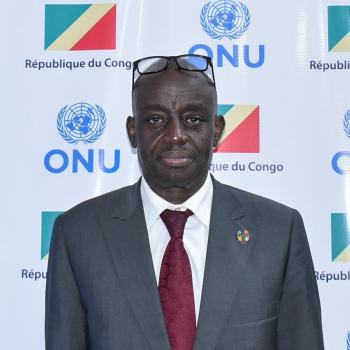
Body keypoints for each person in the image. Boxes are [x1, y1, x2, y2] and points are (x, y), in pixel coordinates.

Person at [45, 54, 324, 350]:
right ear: (132, 131)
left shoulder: (279, 232)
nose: (175, 136)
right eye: (155, 119)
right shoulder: (78, 233)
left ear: (216, 130)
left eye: (193, 120)